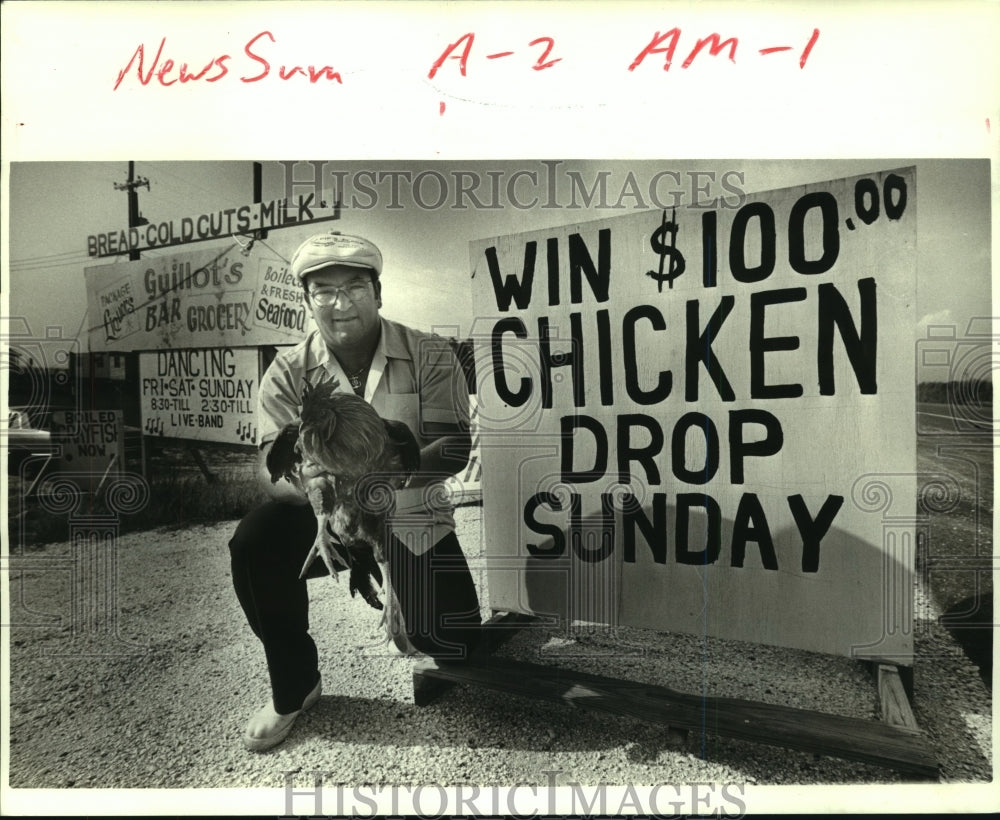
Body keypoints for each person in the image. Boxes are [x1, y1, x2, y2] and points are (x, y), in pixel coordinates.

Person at [229, 231, 482, 752]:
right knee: (254, 541)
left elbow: (454, 447)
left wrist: (382, 476)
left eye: (354, 287)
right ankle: (296, 688)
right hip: (327, 515)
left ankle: (422, 613)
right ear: (307, 300)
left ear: (378, 292)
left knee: (452, 646)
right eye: (323, 290)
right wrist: (309, 485)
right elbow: (266, 468)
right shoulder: (286, 371)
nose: (339, 302)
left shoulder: (430, 353)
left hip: (407, 512)